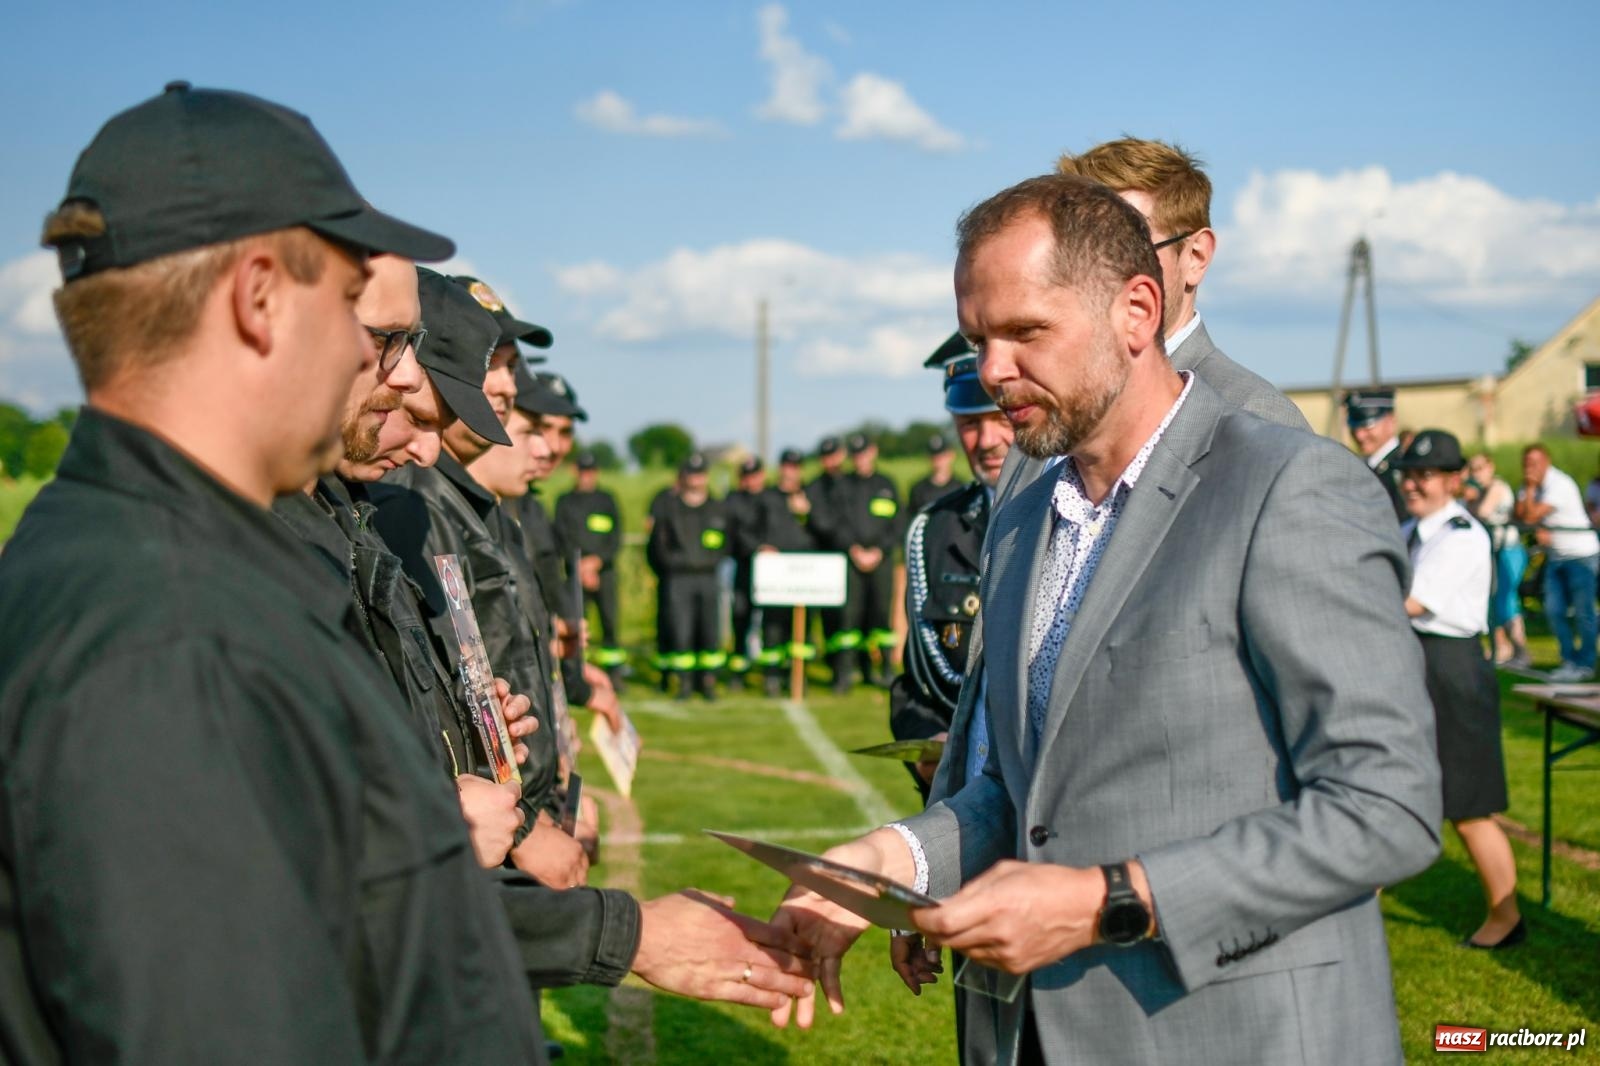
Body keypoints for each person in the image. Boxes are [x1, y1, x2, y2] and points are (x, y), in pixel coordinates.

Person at [769, 174, 1441, 1064]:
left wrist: (1107, 899)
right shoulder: (1019, 518)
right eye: (978, 340)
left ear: (1136, 311)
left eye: (1026, 332)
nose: (992, 372)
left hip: (1239, 1035)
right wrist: (886, 864)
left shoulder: (1287, 486)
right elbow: (1031, 793)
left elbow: (1385, 805)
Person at [0, 81, 552, 1062]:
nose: (376, 364)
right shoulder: (176, 636)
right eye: (350, 306)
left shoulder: (172, 566)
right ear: (258, 298)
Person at [367, 269, 586, 891]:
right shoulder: (409, 497)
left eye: (514, 365)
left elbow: (488, 668)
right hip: (476, 830)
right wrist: (525, 833)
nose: (509, 386)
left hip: (502, 814)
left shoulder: (471, 498)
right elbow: (448, 665)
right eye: (494, 361)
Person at [990, 137, 1309, 517]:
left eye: (1126, 247)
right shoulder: (1046, 418)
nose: (1093, 275)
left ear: (1195, 257)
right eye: (1074, 253)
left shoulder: (1255, 421)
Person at [1395, 431, 1524, 950]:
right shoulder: (1412, 528)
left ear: (1453, 480)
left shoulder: (1461, 533)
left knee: (1469, 808)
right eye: (1409, 474)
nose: (1413, 484)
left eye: (1425, 476)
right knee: (1398, 790)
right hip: (1418, 663)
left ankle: (1507, 915)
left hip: (1452, 668)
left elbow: (1415, 603)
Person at [890, 336, 1014, 803]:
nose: (985, 442)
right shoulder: (934, 528)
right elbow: (917, 684)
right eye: (968, 423)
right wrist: (932, 742)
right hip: (956, 803)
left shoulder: (1078, 511)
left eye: (999, 418)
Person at [646, 452, 729, 699]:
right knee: (680, 630)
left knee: (709, 630)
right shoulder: (669, 508)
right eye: (691, 474)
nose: (696, 479)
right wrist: (671, 567)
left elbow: (726, 543)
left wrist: (711, 561)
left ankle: (707, 682)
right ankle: (683, 683)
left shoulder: (718, 508)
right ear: (684, 477)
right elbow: (657, 547)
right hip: (678, 578)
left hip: (708, 577)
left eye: (700, 474)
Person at [1515, 444, 1600, 680]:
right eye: (1526, 463)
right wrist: (1530, 491)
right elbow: (1520, 516)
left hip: (1581, 555)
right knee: (1554, 611)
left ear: (1546, 462)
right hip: (1556, 557)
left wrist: (1530, 491)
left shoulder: (1559, 484)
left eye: (1534, 463)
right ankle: (1569, 660)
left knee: (1584, 613)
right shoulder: (1531, 486)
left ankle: (1585, 663)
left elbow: (1531, 516)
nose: (1529, 469)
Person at [751, 447, 820, 694]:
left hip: (805, 572)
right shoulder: (767, 497)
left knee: (802, 628)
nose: (791, 471)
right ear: (780, 468)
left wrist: (808, 512)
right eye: (787, 466)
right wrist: (760, 547)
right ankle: (772, 676)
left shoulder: (811, 494)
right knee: (773, 627)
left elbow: (826, 529)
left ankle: (798, 676)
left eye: (796, 466)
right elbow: (752, 530)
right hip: (776, 573)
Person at [840, 433, 905, 690]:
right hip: (852, 560)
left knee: (881, 615)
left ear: (873, 452)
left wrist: (879, 550)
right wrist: (853, 548)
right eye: (856, 455)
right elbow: (839, 523)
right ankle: (848, 672)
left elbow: (898, 523)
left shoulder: (886, 485)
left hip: (882, 560)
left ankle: (886, 669)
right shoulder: (844, 486)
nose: (860, 459)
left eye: (864, 453)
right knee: (851, 617)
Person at [555, 450, 627, 682]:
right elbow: (561, 537)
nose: (586, 476)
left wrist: (597, 562)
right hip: (575, 572)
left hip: (604, 572)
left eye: (590, 471)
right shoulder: (565, 501)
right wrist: (581, 567)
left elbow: (615, 537)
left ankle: (613, 673)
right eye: (583, 471)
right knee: (575, 621)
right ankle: (576, 671)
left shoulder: (607, 500)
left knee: (609, 621)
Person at [1466, 451, 1530, 666]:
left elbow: (1482, 512)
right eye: (1472, 469)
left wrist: (1471, 502)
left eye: (1480, 468)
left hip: (1509, 550)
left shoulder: (1497, 487)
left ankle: (1521, 650)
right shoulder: (1481, 491)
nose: (1477, 474)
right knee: (1494, 599)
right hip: (1495, 550)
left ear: (1490, 466)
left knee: (1507, 601)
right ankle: (1503, 647)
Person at [806, 436, 854, 689]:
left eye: (834, 455)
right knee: (828, 619)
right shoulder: (813, 488)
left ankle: (845, 671)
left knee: (847, 619)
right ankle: (834, 667)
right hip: (825, 560)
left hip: (850, 559)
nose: (830, 461)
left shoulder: (851, 483)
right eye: (826, 457)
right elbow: (821, 523)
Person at [725, 455, 770, 686]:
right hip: (744, 565)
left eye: (755, 475)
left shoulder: (771, 498)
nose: (751, 481)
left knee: (772, 623)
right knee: (741, 617)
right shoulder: (734, 501)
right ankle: (738, 671)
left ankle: (772, 674)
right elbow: (736, 532)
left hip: (772, 569)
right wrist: (758, 547)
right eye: (746, 476)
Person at [1344, 388, 1408, 522]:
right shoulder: (1365, 467)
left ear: (1390, 422)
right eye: (1354, 427)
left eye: (1367, 426)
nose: (1359, 435)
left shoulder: (1402, 468)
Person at [908, 432, 958, 514]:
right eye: (934, 456)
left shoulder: (960, 487)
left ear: (951, 455)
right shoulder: (918, 489)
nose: (938, 460)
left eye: (942, 455)